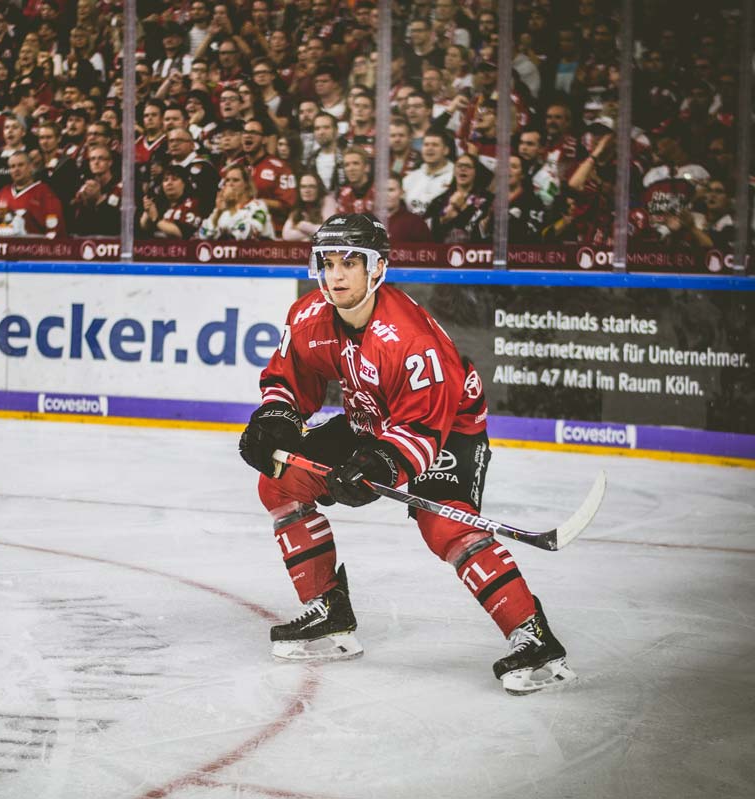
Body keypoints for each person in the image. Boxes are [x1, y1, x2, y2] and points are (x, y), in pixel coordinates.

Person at [237, 213, 575, 694]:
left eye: (350, 263)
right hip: (371, 418)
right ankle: (328, 611)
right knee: (278, 480)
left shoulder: (410, 339)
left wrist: (378, 465)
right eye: (328, 262)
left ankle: (533, 637)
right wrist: (275, 422)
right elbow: (290, 383)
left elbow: (421, 426)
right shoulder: (309, 316)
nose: (336, 275)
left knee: (445, 525)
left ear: (377, 269)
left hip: (447, 427)